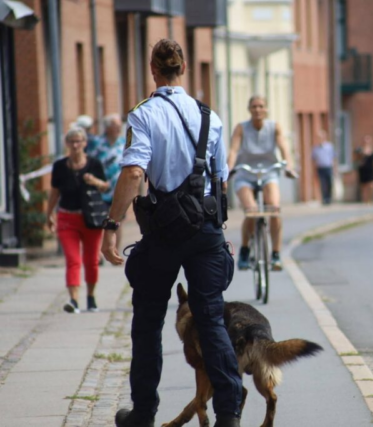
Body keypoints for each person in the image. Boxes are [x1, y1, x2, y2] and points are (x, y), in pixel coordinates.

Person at [101, 39, 243, 427]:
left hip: (162, 234)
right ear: (184, 69)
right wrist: (219, 229)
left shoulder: (144, 115)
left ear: (153, 69)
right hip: (205, 232)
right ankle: (228, 414)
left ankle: (143, 413)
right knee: (211, 319)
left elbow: (133, 173)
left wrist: (111, 226)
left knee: (147, 322)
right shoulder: (209, 117)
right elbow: (220, 180)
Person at [227, 95, 296, 272]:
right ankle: (244, 250)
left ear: (266, 109)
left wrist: (289, 165)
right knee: (251, 211)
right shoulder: (241, 128)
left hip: (268, 172)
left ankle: (275, 253)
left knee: (274, 208)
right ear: (249, 109)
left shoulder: (274, 128)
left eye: (261, 106)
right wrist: (228, 168)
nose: (257, 110)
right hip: (245, 173)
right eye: (254, 106)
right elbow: (234, 150)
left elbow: (284, 148)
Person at [46, 127, 110, 313]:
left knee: (91, 260)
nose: (75, 145)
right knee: (73, 259)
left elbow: (105, 187)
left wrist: (94, 181)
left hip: (91, 219)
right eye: (71, 141)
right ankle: (73, 300)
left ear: (84, 143)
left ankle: (91, 296)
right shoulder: (59, 166)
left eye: (78, 141)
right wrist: (49, 215)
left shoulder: (94, 164)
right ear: (67, 144)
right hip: (67, 218)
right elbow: (54, 193)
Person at [87, 113, 125, 250]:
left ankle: (115, 250)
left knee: (117, 221)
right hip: (101, 189)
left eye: (120, 125)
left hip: (119, 189)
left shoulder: (124, 144)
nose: (119, 128)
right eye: (115, 126)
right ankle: (100, 251)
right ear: (108, 128)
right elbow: (89, 163)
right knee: (101, 220)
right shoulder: (98, 144)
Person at [356, 135, 373, 204]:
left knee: (371, 185)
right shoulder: (360, 150)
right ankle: (364, 200)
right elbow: (356, 159)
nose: (366, 142)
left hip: (371, 169)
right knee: (364, 185)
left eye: (368, 140)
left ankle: (370, 199)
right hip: (363, 169)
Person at [311, 129, 336, 205]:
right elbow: (313, 159)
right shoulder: (315, 148)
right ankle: (324, 199)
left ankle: (329, 198)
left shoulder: (329, 146)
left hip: (328, 167)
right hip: (320, 168)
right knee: (322, 183)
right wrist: (314, 170)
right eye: (318, 137)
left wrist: (334, 168)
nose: (320, 139)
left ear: (325, 137)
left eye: (321, 137)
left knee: (329, 183)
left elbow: (333, 158)